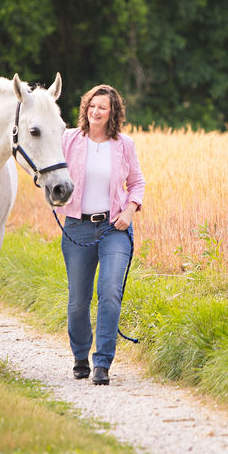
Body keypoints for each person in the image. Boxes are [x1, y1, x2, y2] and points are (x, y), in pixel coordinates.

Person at [56, 84, 145, 385]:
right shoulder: (68, 139)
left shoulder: (124, 145)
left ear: (113, 113)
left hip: (114, 228)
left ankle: (102, 363)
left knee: (109, 292)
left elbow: (137, 183)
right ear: (86, 108)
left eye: (102, 108)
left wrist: (130, 211)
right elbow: (45, 166)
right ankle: (80, 355)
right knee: (78, 301)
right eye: (92, 106)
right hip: (77, 227)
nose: (95, 111)